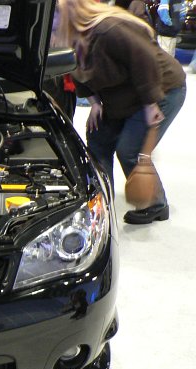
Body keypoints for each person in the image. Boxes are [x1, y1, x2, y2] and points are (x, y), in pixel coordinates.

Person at [56, 0, 186, 224]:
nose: (53, 21)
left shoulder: (108, 29)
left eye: (57, 14)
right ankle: (102, 200)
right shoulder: (72, 38)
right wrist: (94, 103)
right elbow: (77, 70)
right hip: (124, 96)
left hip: (161, 89)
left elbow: (144, 60)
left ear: (71, 13)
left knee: (130, 150)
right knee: (98, 139)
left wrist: (150, 103)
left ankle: (156, 205)